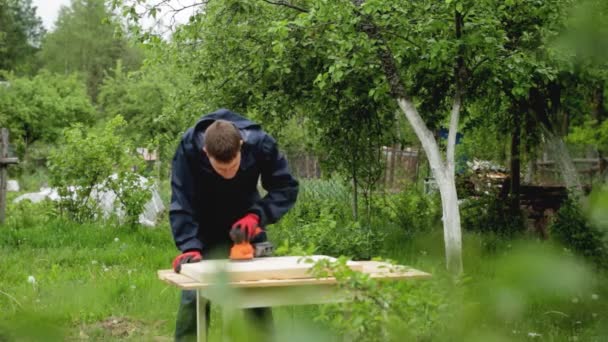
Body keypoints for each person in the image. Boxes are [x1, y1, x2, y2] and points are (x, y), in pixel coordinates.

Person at [169, 108, 299, 341]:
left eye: (233, 166)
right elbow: (181, 201)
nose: (228, 173)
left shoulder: (261, 144)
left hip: (246, 226)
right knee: (193, 296)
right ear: (205, 152)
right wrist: (189, 245)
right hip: (203, 228)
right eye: (221, 168)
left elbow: (285, 188)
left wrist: (256, 217)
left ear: (241, 145)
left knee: (256, 295)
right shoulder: (188, 149)